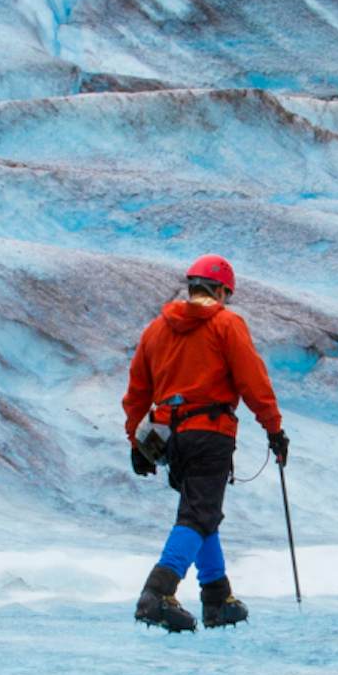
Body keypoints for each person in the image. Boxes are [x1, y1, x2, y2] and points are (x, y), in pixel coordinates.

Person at [120, 254, 285, 631]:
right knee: (198, 514)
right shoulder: (226, 324)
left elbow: (137, 392)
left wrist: (136, 441)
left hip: (169, 436)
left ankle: (216, 597)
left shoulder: (155, 330)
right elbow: (253, 381)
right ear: (223, 291)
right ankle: (158, 592)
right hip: (211, 432)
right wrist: (273, 428)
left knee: (201, 512)